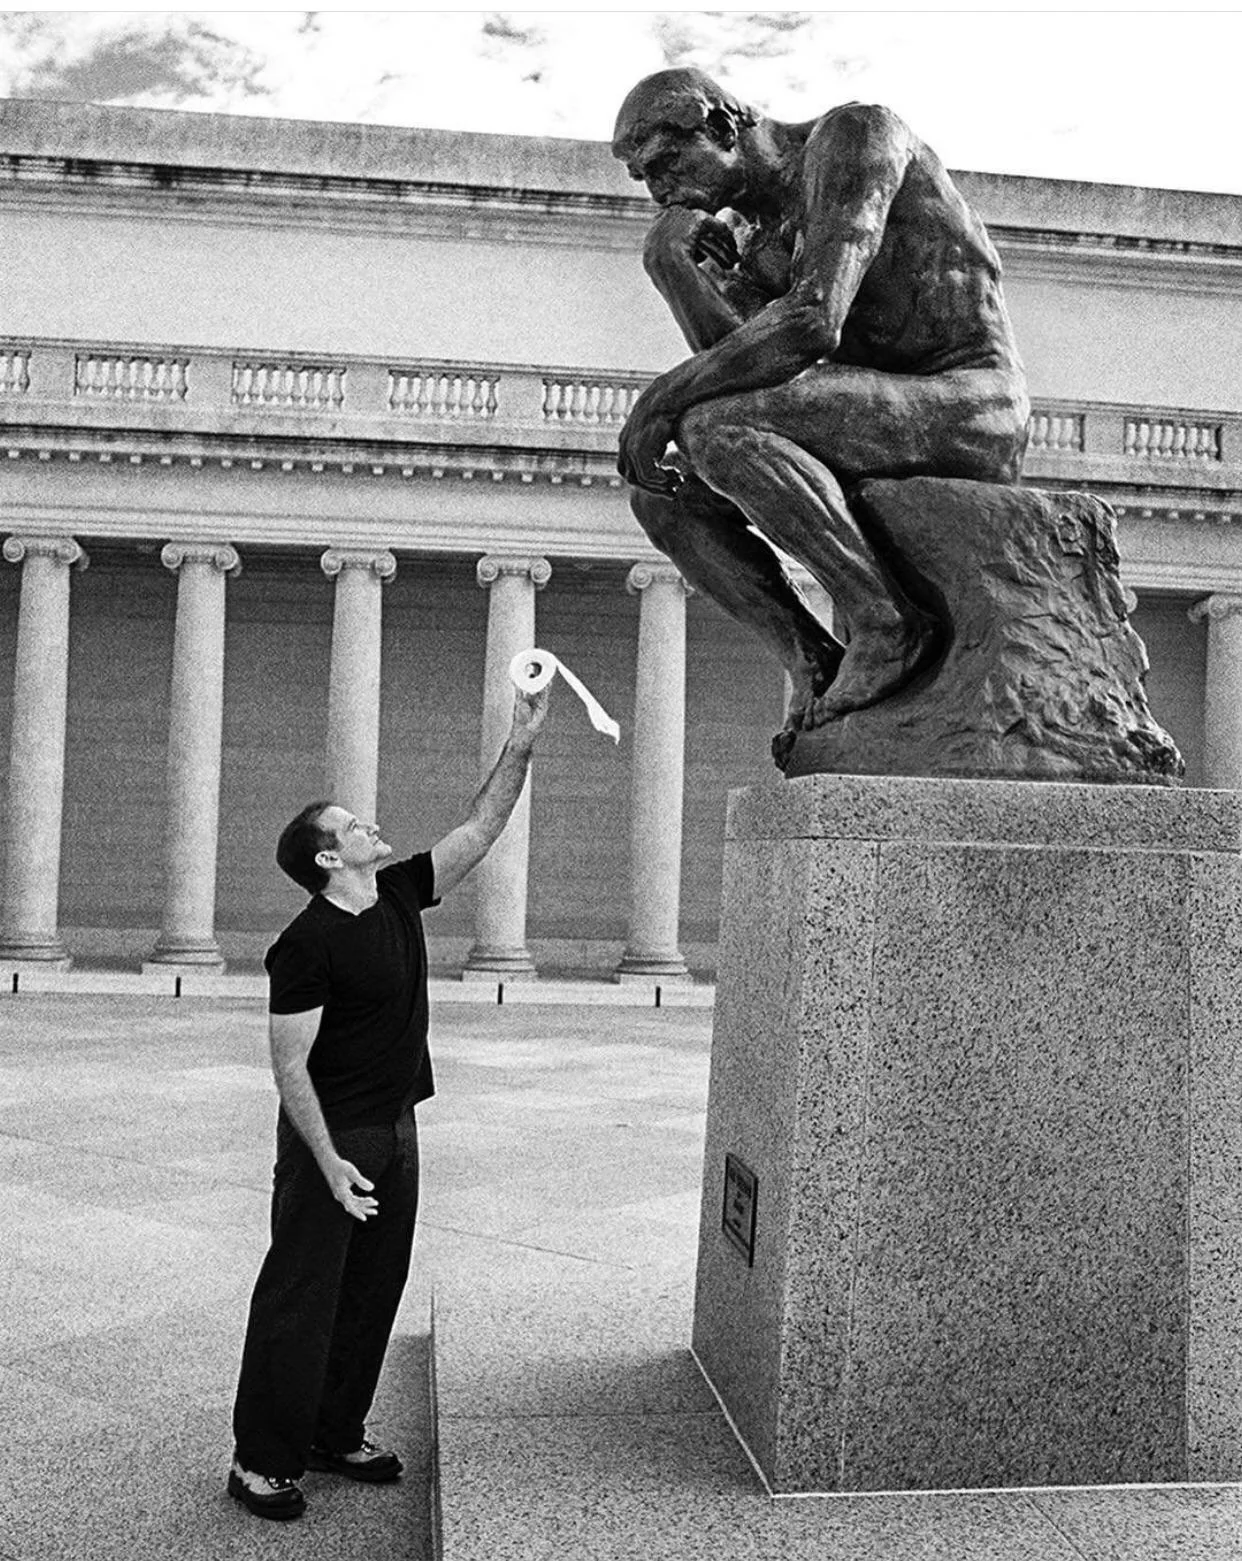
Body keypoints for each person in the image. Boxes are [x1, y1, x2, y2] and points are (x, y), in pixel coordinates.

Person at [611, 69, 1030, 729]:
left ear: (722, 127)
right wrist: (674, 271)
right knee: (661, 494)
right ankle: (813, 660)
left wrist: (658, 402)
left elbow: (814, 321)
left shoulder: (854, 137)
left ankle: (888, 623)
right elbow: (748, 372)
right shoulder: (750, 236)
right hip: (872, 412)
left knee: (711, 427)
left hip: (968, 400)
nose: (660, 191)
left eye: (665, 164)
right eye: (645, 180)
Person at [228, 684, 550, 1521]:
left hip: (396, 1127)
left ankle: (335, 1430)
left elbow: (478, 830)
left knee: (374, 1288)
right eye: (351, 827)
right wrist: (329, 1162)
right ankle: (260, 1460)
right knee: (301, 1294)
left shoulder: (402, 891)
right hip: (330, 1141)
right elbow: (289, 1065)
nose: (369, 825)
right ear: (329, 859)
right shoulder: (302, 945)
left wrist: (520, 741)